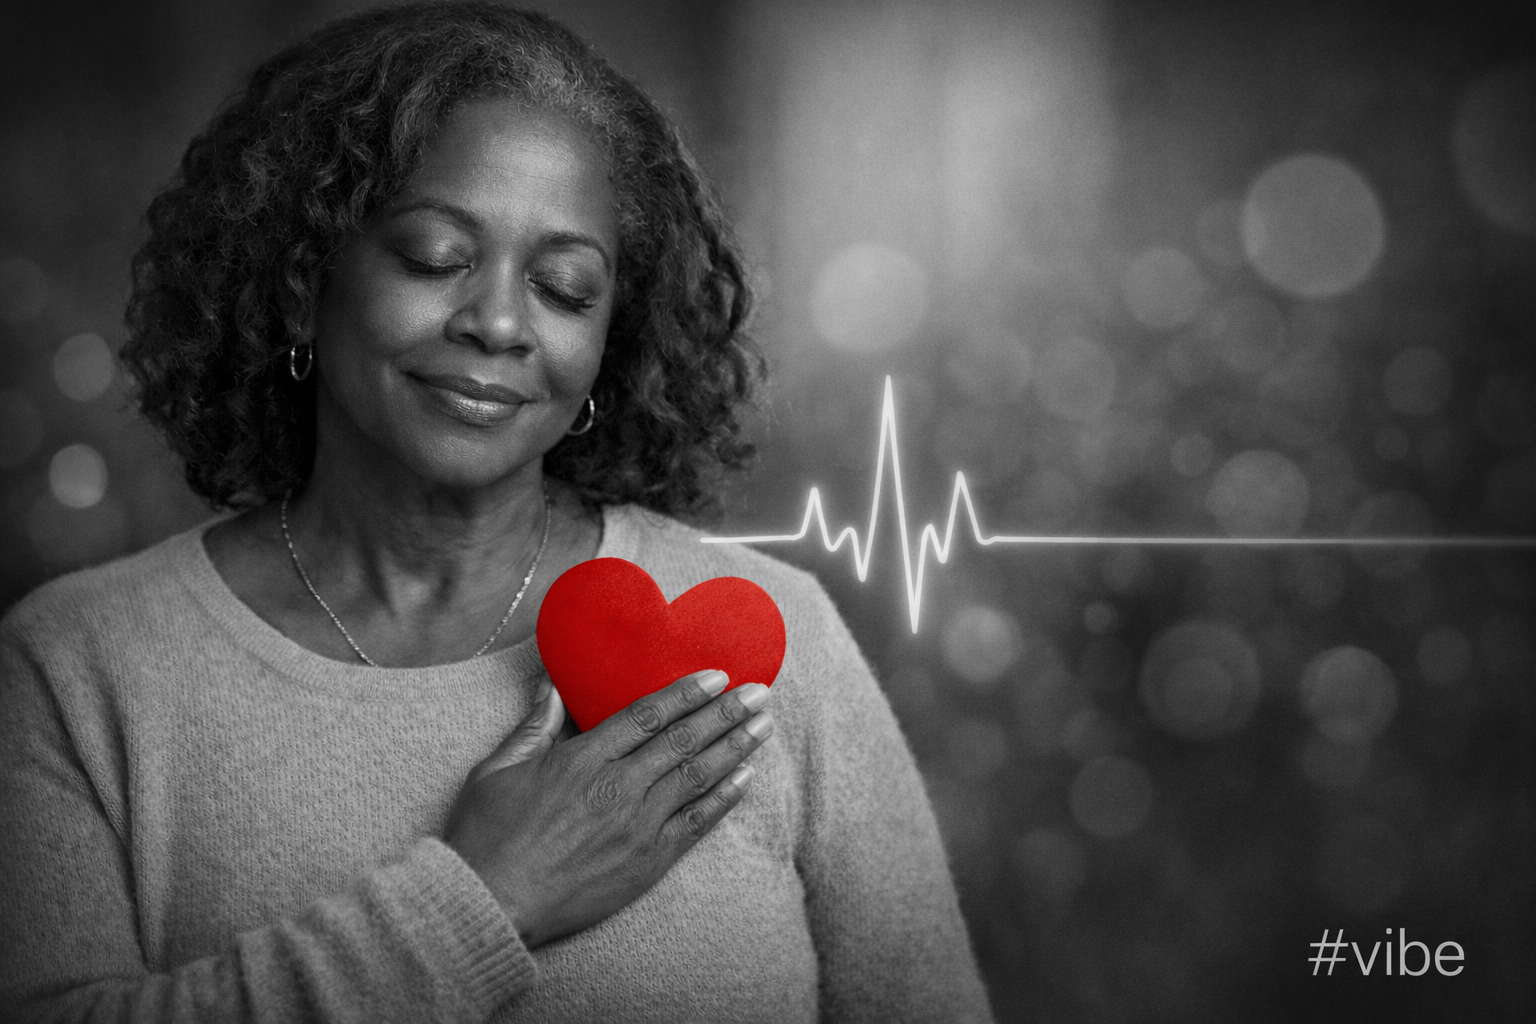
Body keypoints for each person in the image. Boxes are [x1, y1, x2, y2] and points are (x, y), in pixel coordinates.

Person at [0, 4, 993, 1022]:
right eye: (435, 258)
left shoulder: (779, 643)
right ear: (301, 284)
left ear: (612, 342)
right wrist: (482, 900)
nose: (501, 324)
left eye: (565, 289)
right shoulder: (79, 668)